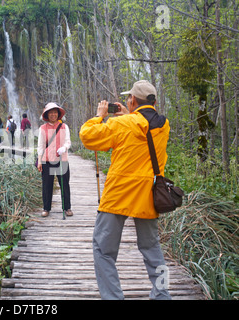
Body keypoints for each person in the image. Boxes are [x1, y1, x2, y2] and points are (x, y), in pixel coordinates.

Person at [79, 80, 172, 300]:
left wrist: (100, 115)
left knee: (103, 250)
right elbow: (142, 127)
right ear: (154, 101)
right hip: (148, 194)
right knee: (152, 249)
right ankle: (162, 294)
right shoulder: (164, 125)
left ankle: (113, 297)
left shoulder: (123, 125)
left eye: (129, 98)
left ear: (132, 100)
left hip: (119, 194)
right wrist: (126, 114)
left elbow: (88, 136)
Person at [37, 103, 72, 218]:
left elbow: (68, 141)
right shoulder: (43, 128)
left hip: (62, 159)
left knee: (64, 184)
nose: (53, 114)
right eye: (50, 112)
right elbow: (41, 146)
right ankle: (46, 208)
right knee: (47, 185)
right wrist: (40, 161)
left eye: (55, 112)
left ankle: (67, 207)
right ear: (47, 114)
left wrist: (64, 148)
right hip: (47, 160)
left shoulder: (64, 127)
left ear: (58, 114)